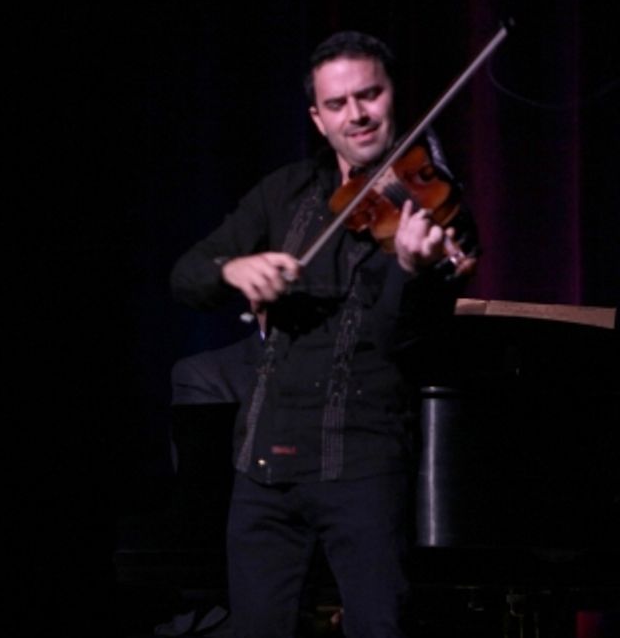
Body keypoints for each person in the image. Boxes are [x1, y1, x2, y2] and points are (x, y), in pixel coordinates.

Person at [169, 31, 478, 637]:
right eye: (337, 104)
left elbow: (403, 344)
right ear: (317, 117)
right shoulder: (284, 194)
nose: (356, 115)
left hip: (362, 468)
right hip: (264, 467)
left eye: (370, 95)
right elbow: (186, 277)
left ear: (392, 97)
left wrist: (413, 272)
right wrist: (234, 269)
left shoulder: (433, 208)